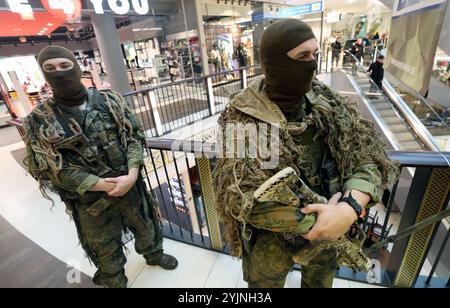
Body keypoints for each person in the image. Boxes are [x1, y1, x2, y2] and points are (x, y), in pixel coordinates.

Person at [212, 19, 398, 288]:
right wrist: (324, 220)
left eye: (315, 54)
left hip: (329, 233)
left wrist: (349, 208)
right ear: (275, 63)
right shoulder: (243, 117)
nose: (312, 64)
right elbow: (241, 194)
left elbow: (366, 153)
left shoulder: (324, 100)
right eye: (302, 56)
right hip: (271, 242)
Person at [23, 45, 178, 288]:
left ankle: (154, 255)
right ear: (44, 74)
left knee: (146, 225)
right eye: (50, 68)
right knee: (104, 247)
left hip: (131, 187)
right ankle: (114, 280)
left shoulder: (110, 100)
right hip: (90, 201)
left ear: (76, 67)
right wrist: (100, 185)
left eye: (65, 66)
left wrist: (132, 174)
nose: (60, 72)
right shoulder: (39, 119)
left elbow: (133, 137)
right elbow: (50, 168)